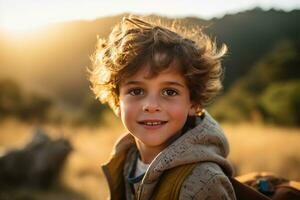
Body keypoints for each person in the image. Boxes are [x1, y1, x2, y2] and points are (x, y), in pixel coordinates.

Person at [89, 16, 236, 199]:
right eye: (136, 91)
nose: (151, 106)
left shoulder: (203, 182)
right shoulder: (125, 160)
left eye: (169, 92)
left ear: (193, 102)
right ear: (117, 102)